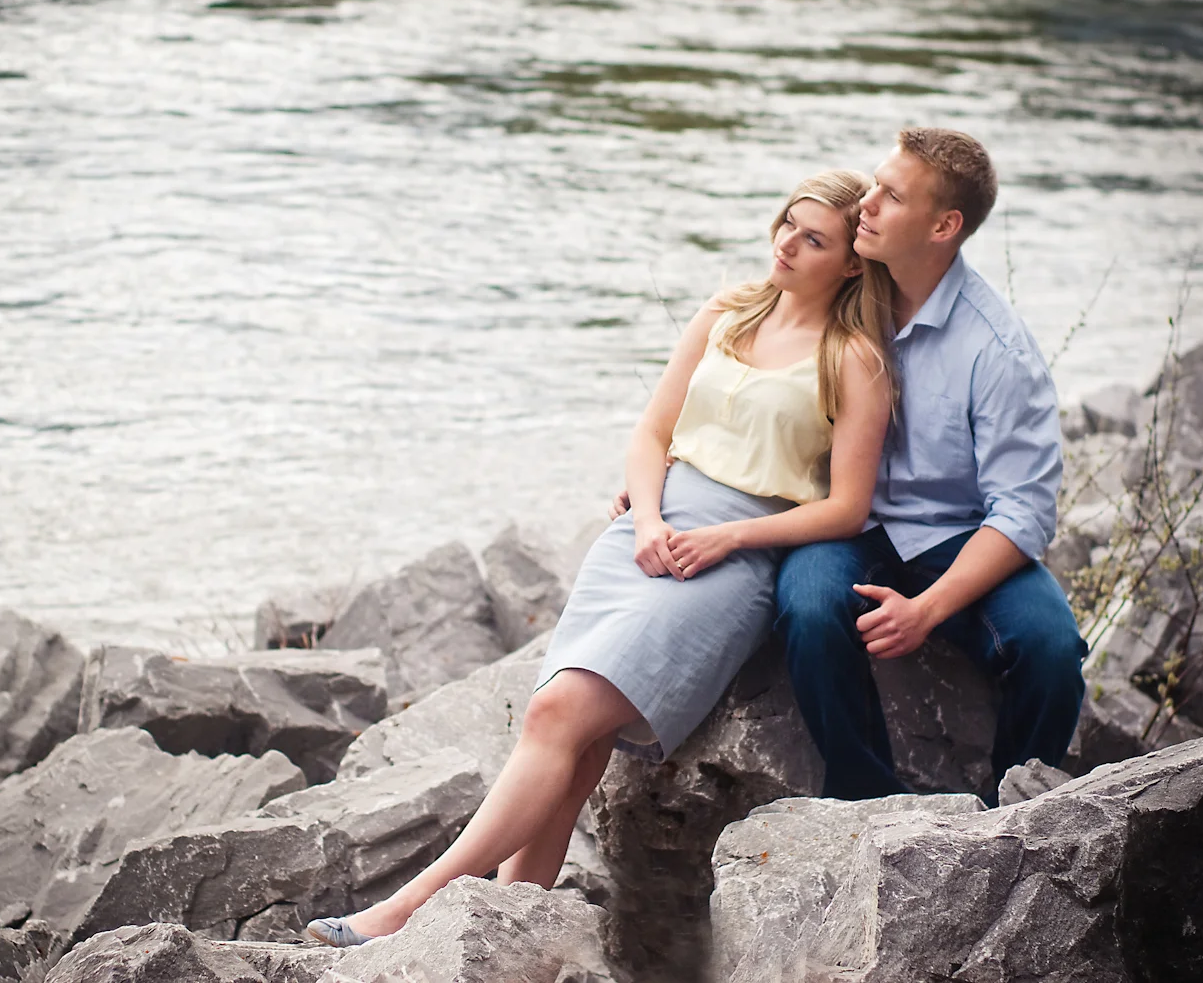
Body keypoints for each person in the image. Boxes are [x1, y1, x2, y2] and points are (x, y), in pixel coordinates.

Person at [307, 169, 898, 947]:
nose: (788, 242)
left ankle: (407, 909)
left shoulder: (853, 357)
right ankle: (511, 926)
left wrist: (727, 537)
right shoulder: (726, 312)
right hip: (646, 534)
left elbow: (847, 506)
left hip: (730, 559)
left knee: (556, 712)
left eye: (814, 238)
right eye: (788, 223)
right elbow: (653, 431)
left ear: (852, 261)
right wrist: (647, 515)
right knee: (574, 743)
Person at [775, 128, 1087, 802]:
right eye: (873, 186)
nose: (867, 204)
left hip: (956, 534)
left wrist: (926, 610)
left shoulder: (997, 348)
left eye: (889, 196)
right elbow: (745, 363)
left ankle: (1010, 821)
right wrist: (673, 468)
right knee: (807, 606)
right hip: (844, 521)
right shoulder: (847, 286)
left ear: (944, 226)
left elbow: (1025, 510)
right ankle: (868, 803)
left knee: (1051, 650)